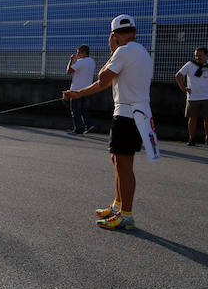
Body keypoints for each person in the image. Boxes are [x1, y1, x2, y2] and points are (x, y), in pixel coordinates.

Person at [63, 14, 152, 231]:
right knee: (118, 161)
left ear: (113, 35)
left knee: (124, 166)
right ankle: (118, 206)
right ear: (135, 31)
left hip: (127, 115)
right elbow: (103, 83)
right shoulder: (142, 53)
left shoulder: (122, 52)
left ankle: (126, 216)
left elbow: (103, 79)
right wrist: (77, 94)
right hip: (137, 113)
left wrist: (113, 52)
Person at [175, 47, 208, 147]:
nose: (197, 57)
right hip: (192, 97)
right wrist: (183, 87)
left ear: (206, 55)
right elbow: (178, 75)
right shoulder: (190, 64)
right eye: (196, 55)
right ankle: (192, 139)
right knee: (192, 119)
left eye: (200, 55)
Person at [66, 44, 96, 135]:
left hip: (76, 90)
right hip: (87, 89)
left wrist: (71, 60)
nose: (77, 54)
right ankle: (89, 125)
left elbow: (68, 71)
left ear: (83, 52)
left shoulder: (80, 62)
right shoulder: (92, 61)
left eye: (78, 52)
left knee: (75, 110)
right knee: (84, 109)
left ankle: (78, 129)